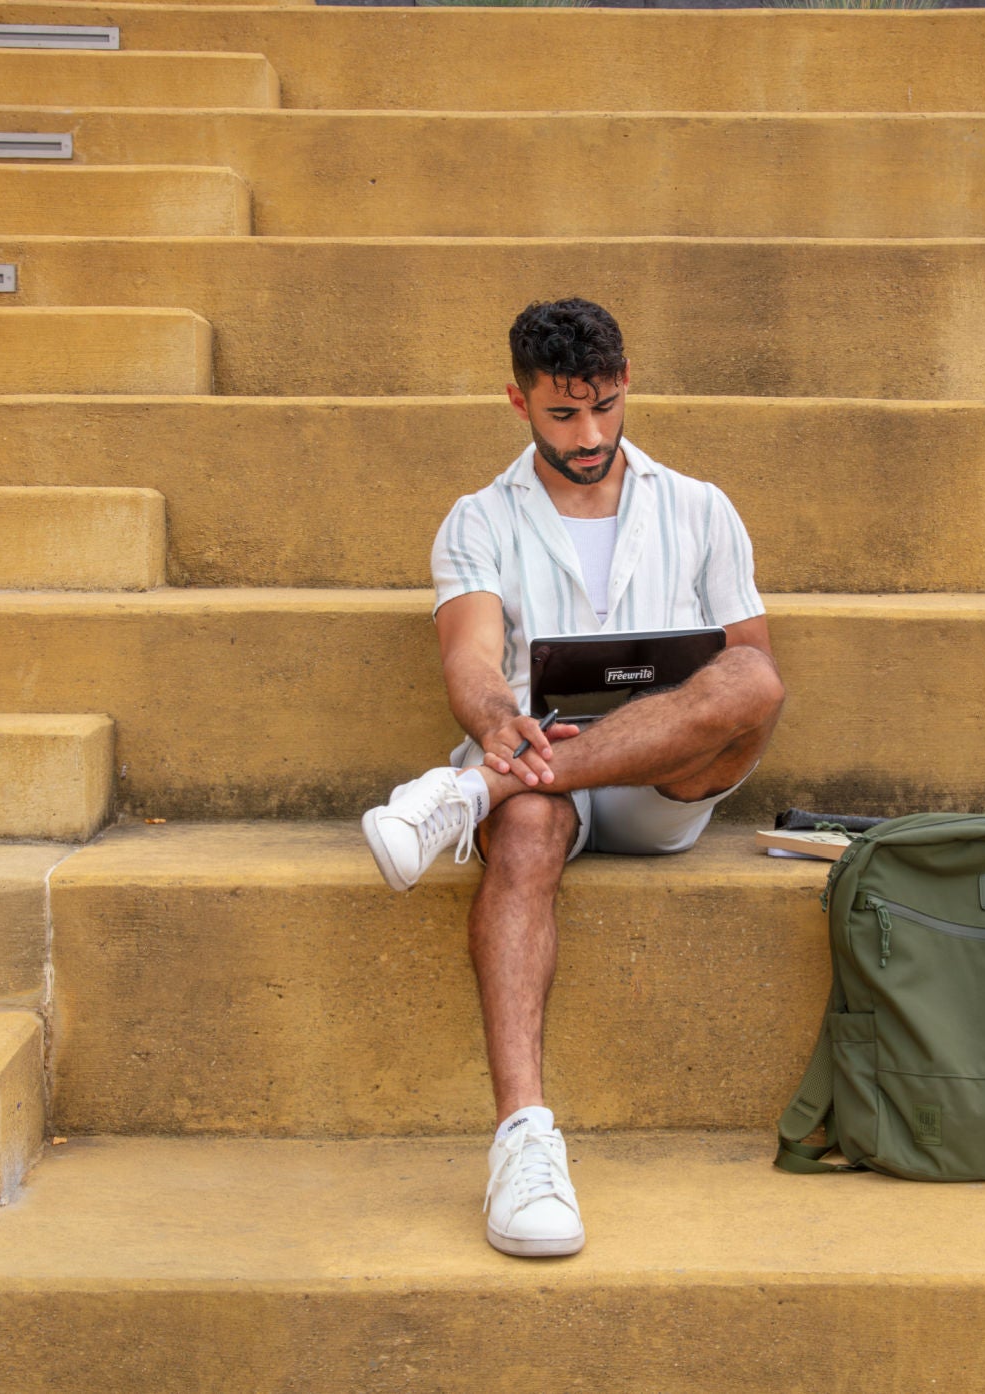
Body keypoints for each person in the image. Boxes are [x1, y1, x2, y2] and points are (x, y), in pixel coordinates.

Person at [360, 298, 785, 1258]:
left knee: (754, 676)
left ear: (625, 382)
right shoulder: (478, 520)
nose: (588, 435)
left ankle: (468, 794)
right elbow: (469, 659)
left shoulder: (699, 506)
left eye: (604, 407)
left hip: (665, 780)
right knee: (525, 826)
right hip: (536, 771)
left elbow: (746, 677)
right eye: (562, 414)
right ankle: (522, 1141)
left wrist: (493, 767)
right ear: (519, 401)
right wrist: (494, 725)